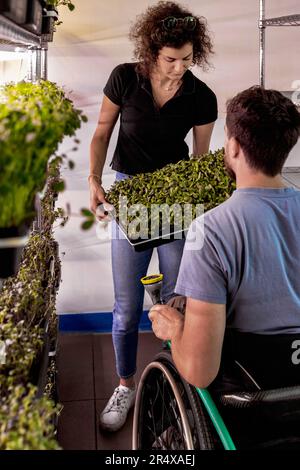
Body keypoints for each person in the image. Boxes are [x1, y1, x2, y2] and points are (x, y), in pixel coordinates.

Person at [89, 1, 217, 432]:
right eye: (170, 59)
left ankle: (175, 389)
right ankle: (125, 385)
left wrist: (203, 212)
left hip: (177, 199)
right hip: (132, 198)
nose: (179, 68)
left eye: (186, 58)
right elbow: (103, 132)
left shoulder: (202, 97)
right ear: (151, 52)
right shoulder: (125, 78)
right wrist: (93, 179)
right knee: (126, 308)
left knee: (178, 305)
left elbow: (200, 162)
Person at [149, 86, 300, 395]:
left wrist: (175, 328)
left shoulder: (210, 229)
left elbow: (199, 372)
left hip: (254, 391)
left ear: (232, 148)